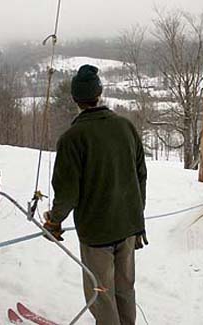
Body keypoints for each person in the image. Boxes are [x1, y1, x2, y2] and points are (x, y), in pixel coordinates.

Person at [41, 64, 148, 325]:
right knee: (125, 288)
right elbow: (141, 174)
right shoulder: (126, 127)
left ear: (75, 99)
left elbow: (67, 192)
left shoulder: (72, 137)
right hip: (128, 227)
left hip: (98, 232)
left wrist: (54, 222)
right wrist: (135, 215)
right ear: (99, 94)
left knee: (102, 294)